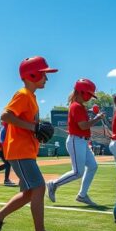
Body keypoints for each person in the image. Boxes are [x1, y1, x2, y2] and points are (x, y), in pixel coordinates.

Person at [0, 56, 67, 231]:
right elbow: (5, 116)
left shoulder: (31, 97)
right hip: (19, 150)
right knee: (39, 187)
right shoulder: (22, 94)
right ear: (32, 74)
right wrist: (33, 127)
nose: (46, 78)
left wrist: (34, 129)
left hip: (25, 150)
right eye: (44, 74)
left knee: (30, 192)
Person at [46, 78, 104, 206]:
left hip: (81, 141)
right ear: (82, 92)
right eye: (89, 94)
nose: (90, 97)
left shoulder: (79, 106)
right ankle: (53, 184)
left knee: (93, 166)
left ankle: (82, 195)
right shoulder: (76, 106)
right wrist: (97, 118)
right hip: (76, 140)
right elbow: (83, 126)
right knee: (78, 172)